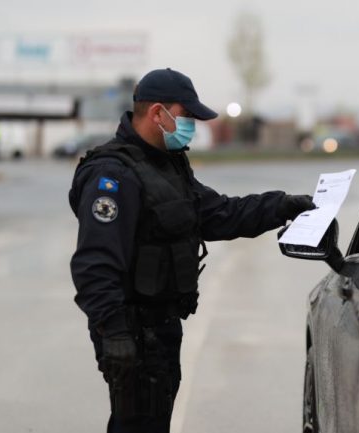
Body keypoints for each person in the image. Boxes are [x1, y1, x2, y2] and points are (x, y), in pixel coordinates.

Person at [68, 68, 315, 433]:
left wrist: (283, 206)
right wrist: (114, 334)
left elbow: (220, 214)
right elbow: (95, 265)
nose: (192, 128)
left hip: (162, 328)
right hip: (132, 333)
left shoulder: (167, 166)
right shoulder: (113, 176)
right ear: (157, 113)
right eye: (187, 117)